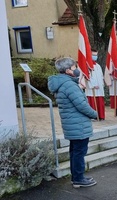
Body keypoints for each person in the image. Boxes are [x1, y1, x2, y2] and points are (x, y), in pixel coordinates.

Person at [48, 57, 97, 188]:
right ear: (68, 70)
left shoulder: (63, 83)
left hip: (73, 124)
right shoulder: (69, 85)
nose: (77, 70)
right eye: (74, 68)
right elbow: (81, 105)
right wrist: (94, 114)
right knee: (79, 153)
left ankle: (76, 177)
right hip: (78, 125)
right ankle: (78, 179)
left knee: (75, 152)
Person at [85, 49, 105, 120]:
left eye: (96, 55)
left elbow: (101, 76)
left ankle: (100, 115)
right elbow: (88, 76)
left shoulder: (98, 66)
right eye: (93, 55)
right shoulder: (87, 65)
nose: (95, 56)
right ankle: (93, 116)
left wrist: (101, 84)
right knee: (92, 101)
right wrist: (93, 84)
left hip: (99, 87)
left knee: (99, 101)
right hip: (92, 88)